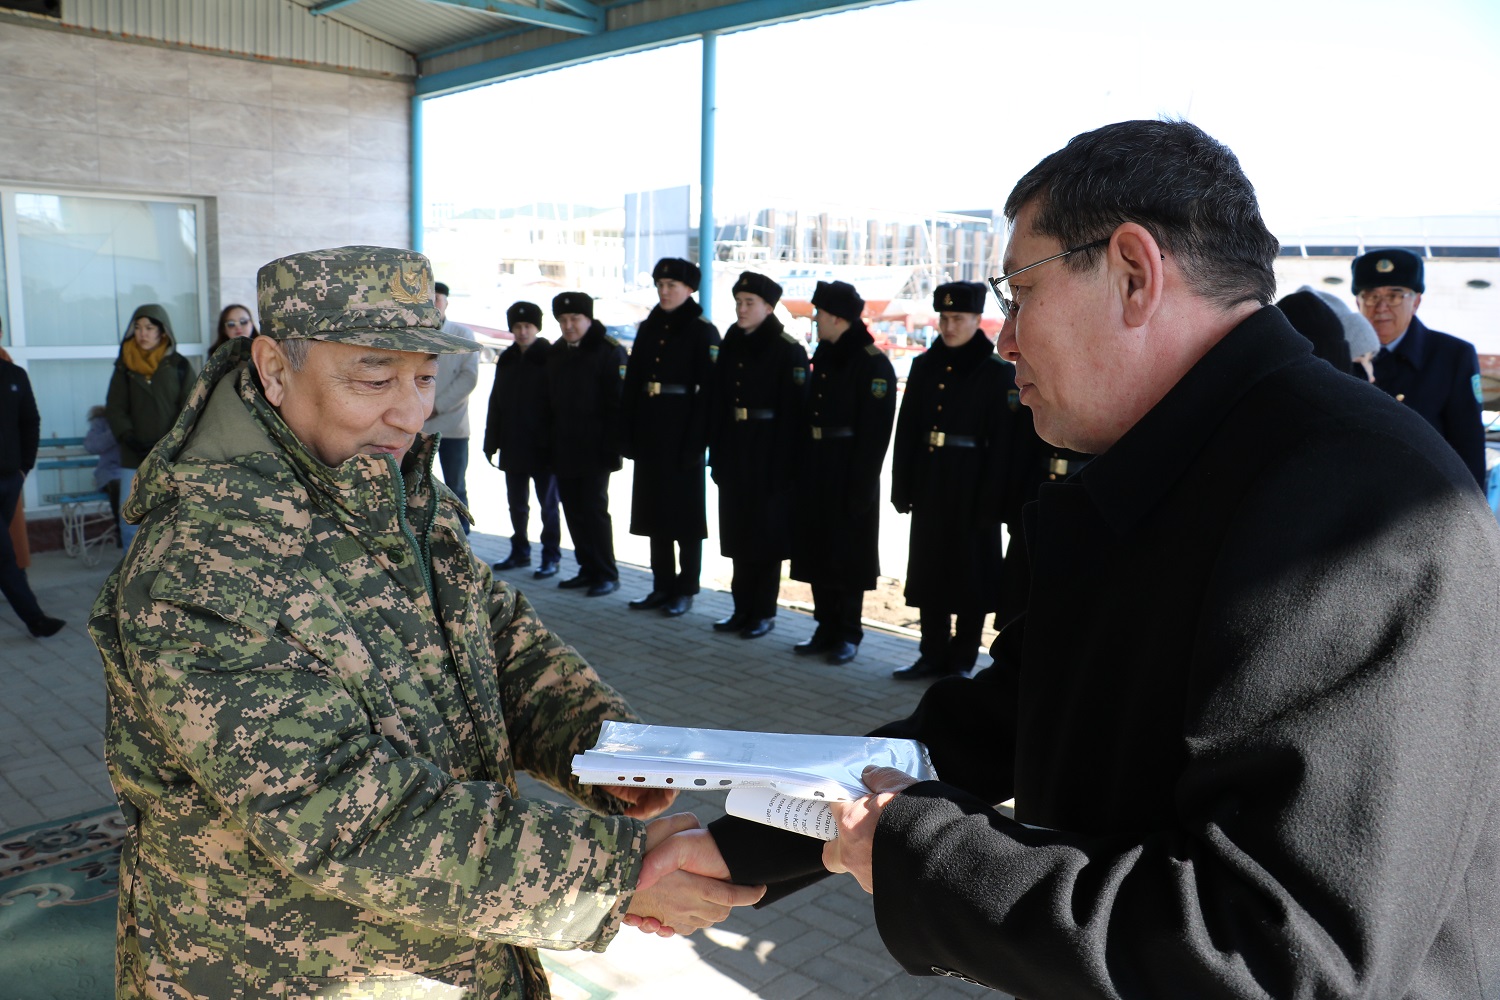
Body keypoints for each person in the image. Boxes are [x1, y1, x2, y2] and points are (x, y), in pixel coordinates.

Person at [699, 120, 1500, 997]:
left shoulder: (1359, 503)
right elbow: (993, 725)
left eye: (1020, 295)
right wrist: (735, 847)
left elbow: (1274, 957)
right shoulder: (1175, 469)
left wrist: (916, 851)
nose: (1005, 339)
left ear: (1132, 273)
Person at [92, 246, 762, 999]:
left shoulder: (390, 488)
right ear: (275, 368)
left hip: (446, 950)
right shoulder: (200, 563)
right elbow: (339, 812)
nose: (411, 413)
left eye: (423, 375)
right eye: (375, 378)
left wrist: (604, 745)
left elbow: (498, 638)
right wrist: (616, 876)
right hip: (283, 971)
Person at [889, 281, 1011, 680]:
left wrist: (993, 499)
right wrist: (901, 486)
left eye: (958, 318)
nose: (948, 325)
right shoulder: (925, 365)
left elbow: (1003, 444)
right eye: (943, 317)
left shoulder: (995, 373)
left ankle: (962, 659)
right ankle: (930, 652)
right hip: (931, 481)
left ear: (977, 320)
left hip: (973, 485)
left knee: (971, 573)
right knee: (930, 570)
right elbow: (906, 430)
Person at [788, 280, 896, 666]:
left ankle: (848, 631)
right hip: (818, 466)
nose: (815, 321)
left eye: (819, 315)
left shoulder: (870, 362)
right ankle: (824, 626)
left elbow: (876, 432)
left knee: (848, 555)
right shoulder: (827, 353)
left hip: (849, 469)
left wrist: (862, 484)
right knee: (818, 547)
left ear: (837, 318)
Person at [706, 271, 807, 639]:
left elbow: (794, 414)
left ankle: (762, 613)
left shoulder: (786, 347)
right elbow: (718, 401)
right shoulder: (732, 340)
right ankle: (740, 610)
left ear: (768, 306)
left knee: (764, 541)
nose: (741, 309)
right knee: (737, 536)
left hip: (768, 457)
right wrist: (715, 453)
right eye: (738, 302)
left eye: (749, 303)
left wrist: (784, 467)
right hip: (734, 452)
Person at [621, 258, 720, 618]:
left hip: (683, 434)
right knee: (654, 512)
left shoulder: (701, 329)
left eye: (671, 286)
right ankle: (661, 585)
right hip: (650, 431)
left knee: (686, 517)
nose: (664, 291)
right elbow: (633, 381)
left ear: (689, 289)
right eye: (660, 285)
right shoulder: (650, 325)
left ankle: (685, 588)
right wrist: (627, 432)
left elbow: (709, 394)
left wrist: (698, 442)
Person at [1354, 248, 1486, 485]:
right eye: (1372, 296)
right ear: (1358, 302)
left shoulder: (1452, 356)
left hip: (1423, 502)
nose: (1382, 307)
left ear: (1416, 301)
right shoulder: (1340, 355)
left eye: (1395, 296)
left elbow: (1470, 448)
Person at [545, 290, 627, 597]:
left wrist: (613, 448)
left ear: (588, 319)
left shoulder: (609, 351)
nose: (568, 326)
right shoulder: (556, 352)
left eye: (574, 319)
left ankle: (607, 573)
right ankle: (586, 568)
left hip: (596, 448)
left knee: (594, 510)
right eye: (563, 320)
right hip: (563, 445)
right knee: (573, 510)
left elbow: (618, 405)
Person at [105, 303, 193, 551]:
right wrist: (127, 436)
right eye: (138, 327)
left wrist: (171, 442)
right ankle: (126, 580)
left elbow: (190, 406)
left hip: (170, 456)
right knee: (129, 519)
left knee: (171, 518)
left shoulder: (178, 365)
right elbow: (115, 407)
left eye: (149, 327)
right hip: (132, 455)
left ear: (162, 331)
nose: (143, 333)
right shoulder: (124, 365)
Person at [484, 300, 562, 579]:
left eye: (527, 326)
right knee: (517, 503)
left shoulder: (550, 356)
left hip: (543, 446)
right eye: (517, 327)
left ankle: (551, 556)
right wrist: (490, 441)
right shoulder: (506, 358)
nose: (523, 331)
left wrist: (556, 444)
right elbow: (496, 402)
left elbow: (558, 405)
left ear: (537, 327)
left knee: (548, 505)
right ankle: (520, 551)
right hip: (513, 443)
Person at [0, 331, 64, 638]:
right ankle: (35, 620)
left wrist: (25, 467)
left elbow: (30, 421)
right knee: (3, 554)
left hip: (10, 480)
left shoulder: (14, 374)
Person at [422, 280, 480, 532]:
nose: (434, 304)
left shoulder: (462, 335)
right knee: (418, 484)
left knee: (455, 485)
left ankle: (463, 537)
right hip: (418, 425)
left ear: (446, 302)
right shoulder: (417, 334)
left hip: (453, 427)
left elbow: (469, 377)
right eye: (429, 300)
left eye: (438, 299)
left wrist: (437, 405)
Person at [84, 403, 122, 540]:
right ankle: (122, 529)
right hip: (110, 472)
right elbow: (91, 446)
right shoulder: (102, 421)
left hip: (134, 471)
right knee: (118, 484)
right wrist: (115, 432)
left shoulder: (141, 418)